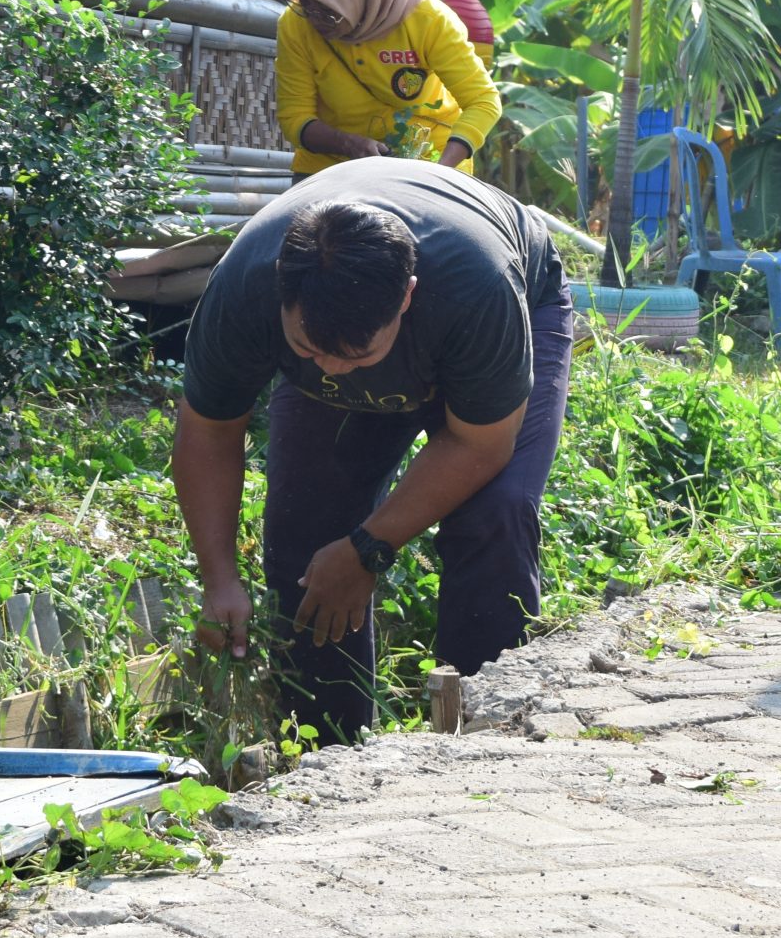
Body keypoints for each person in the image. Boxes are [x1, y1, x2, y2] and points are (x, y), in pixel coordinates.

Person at [174, 159, 570, 742]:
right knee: (304, 534)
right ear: (282, 288)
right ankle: (335, 750)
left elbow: (480, 444)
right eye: (308, 348)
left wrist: (368, 549)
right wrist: (219, 578)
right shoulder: (245, 286)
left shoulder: (476, 288)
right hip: (400, 323)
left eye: (356, 357)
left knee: (495, 514)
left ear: (407, 298)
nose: (332, 368)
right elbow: (208, 430)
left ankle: (485, 743)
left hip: (508, 308)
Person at [276, 0, 501, 177]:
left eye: (330, 10)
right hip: (330, 169)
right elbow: (294, 117)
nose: (314, 19)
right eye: (306, 1)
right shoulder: (295, 24)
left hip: (429, 164)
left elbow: (483, 101)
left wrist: (439, 175)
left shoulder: (428, 21)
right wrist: (348, 144)